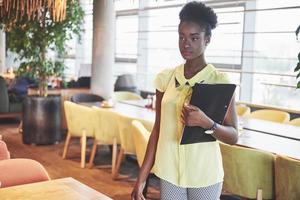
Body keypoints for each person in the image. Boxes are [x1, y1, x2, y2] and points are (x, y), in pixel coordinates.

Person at [131, 1, 238, 200]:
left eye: (194, 37)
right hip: (170, 172)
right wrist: (142, 176)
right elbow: (158, 129)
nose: (186, 43)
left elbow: (233, 136)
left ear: (207, 39)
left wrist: (207, 123)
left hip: (204, 174)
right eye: (181, 37)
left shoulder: (220, 81)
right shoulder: (166, 79)